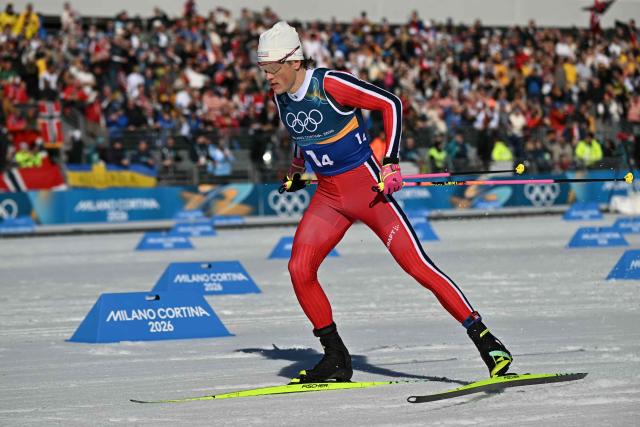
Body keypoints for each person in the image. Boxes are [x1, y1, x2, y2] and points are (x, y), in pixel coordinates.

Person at [257, 21, 512, 384]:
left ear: (294, 61)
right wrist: (298, 168)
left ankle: (488, 342)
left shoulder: (329, 84)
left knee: (417, 267)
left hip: (369, 192)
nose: (267, 75)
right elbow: (301, 133)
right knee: (299, 268)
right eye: (262, 68)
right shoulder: (281, 95)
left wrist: (391, 160)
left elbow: (390, 103)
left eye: (271, 67)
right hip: (329, 196)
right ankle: (336, 357)